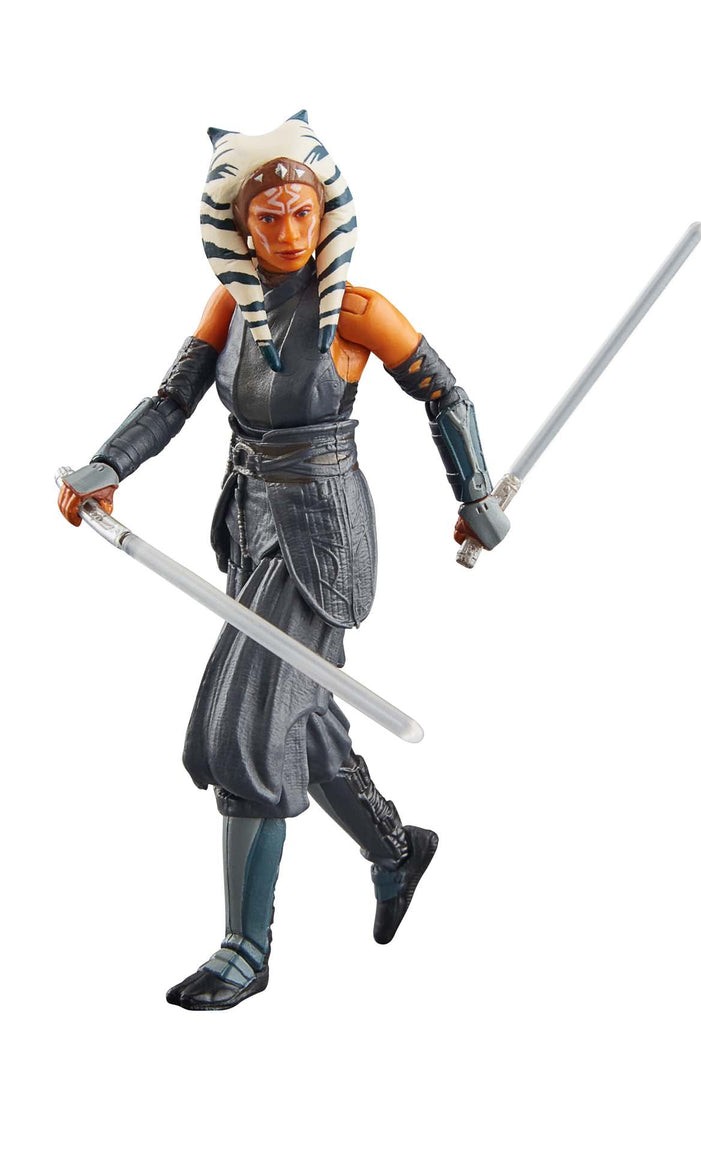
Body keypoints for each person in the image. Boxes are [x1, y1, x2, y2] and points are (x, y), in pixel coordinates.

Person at [58, 112, 510, 1010]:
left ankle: (245, 947)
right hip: (249, 522)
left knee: (249, 722)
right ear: (240, 224)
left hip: (322, 537)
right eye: (270, 217)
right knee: (297, 715)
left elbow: (445, 394)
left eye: (303, 212)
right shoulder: (229, 306)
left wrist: (475, 497)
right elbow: (171, 400)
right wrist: (107, 466)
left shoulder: (360, 310)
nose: (290, 231)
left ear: (326, 213)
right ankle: (395, 850)